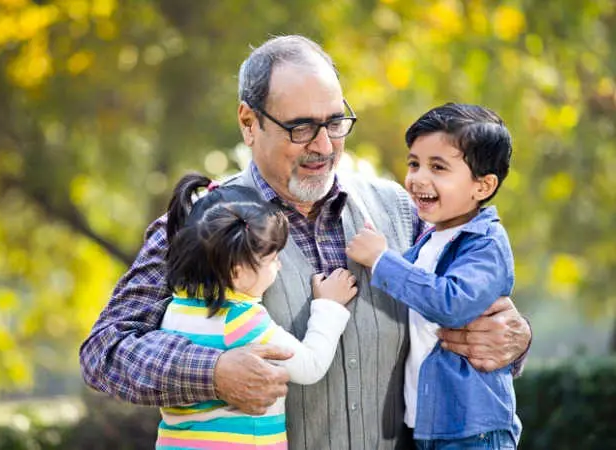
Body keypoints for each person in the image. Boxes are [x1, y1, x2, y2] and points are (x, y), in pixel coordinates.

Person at [79, 35, 532, 450]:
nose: (324, 146)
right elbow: (106, 350)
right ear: (248, 122)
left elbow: (457, 311)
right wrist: (213, 373)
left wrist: (516, 340)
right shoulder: (203, 225)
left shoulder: (401, 210)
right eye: (301, 128)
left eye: (335, 122)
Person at [347, 103, 521, 449]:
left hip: (470, 429)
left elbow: (450, 303)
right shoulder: (431, 236)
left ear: (483, 186)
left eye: (438, 167)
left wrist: (382, 260)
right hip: (427, 424)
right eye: (414, 163)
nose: (418, 178)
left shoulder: (484, 245)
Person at [155, 172, 357, 449]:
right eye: (272, 259)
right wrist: (329, 306)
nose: (279, 266)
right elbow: (310, 366)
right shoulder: (242, 320)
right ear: (238, 272)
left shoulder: (175, 308)